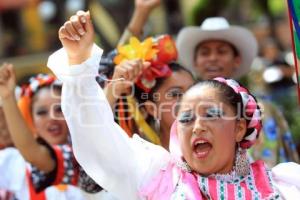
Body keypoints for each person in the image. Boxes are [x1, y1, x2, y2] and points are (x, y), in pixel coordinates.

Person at [47, 11, 300, 199]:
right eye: (186, 118)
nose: (197, 127)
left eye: (211, 114)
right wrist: (79, 64)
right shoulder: (156, 176)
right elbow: (97, 138)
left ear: (239, 128)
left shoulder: (287, 185)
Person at [175, 17, 299, 166]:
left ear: (237, 60)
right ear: (195, 62)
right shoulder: (181, 112)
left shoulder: (264, 111)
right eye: (205, 53)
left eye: (221, 52)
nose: (213, 58)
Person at [101, 35, 194, 148]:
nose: (189, 99)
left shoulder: (215, 145)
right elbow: (94, 134)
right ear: (151, 109)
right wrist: (113, 89)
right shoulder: (142, 157)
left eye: (193, 90)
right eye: (175, 94)